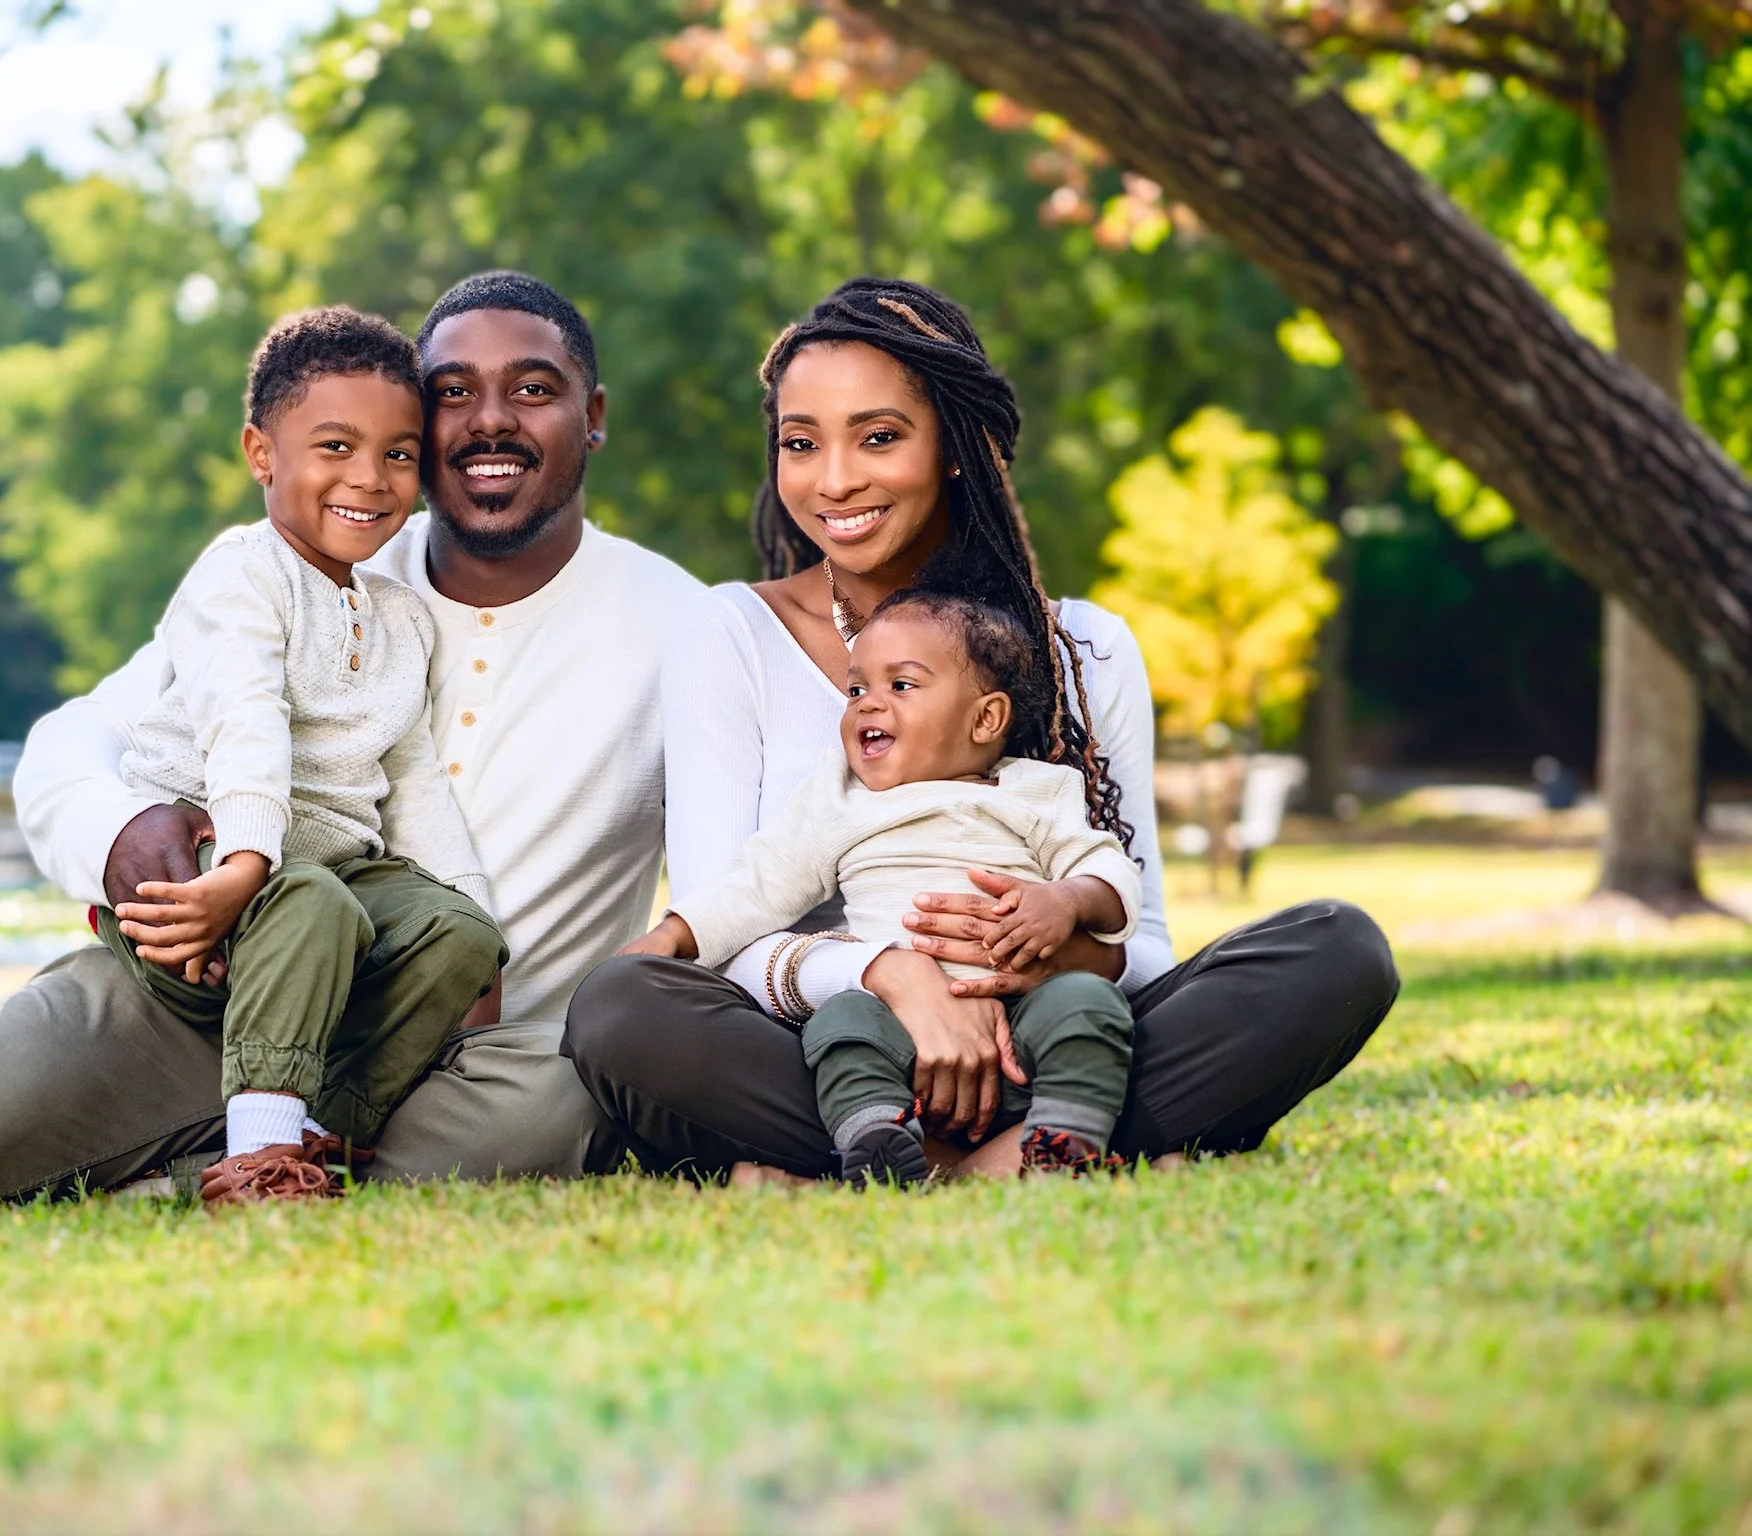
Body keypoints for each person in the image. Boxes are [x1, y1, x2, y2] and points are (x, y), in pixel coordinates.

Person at [0, 272, 702, 1218]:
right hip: (208, 986)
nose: (490, 421)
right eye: (453, 393)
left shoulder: (684, 627)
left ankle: (227, 1174)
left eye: (534, 390)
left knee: (559, 1103)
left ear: (593, 415)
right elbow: (70, 743)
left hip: (454, 1055)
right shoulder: (301, 567)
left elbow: (752, 875)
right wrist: (125, 827)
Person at [563, 277, 1400, 1181]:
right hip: (835, 1062)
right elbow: (728, 936)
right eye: (800, 444)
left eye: (879, 437)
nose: (834, 479)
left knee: (1338, 948)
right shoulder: (730, 633)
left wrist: (1035, 953)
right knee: (620, 1009)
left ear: (957, 449)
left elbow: (1143, 944)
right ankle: (1019, 1158)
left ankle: (930, 1163)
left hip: (1061, 1038)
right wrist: (894, 976)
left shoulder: (1085, 650)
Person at [98, 306, 505, 1204]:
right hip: (200, 876)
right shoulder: (240, 573)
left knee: (461, 933)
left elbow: (411, 776)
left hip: (329, 874)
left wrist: (479, 937)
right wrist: (244, 866)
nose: (370, 478)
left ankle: (312, 1139)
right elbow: (246, 720)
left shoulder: (399, 618)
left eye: (399, 454)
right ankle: (254, 1160)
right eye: (334, 447)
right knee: (312, 901)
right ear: (261, 454)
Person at [619, 588, 1141, 1185]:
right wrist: (672, 937)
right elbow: (758, 883)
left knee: (1091, 1006)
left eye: (902, 686)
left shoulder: (1036, 791)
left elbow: (1110, 872)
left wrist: (1066, 901)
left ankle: (1063, 1138)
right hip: (894, 1021)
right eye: (857, 689)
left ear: (985, 719)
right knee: (839, 1023)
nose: (868, 706)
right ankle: (876, 1137)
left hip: (1026, 1018)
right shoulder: (841, 794)